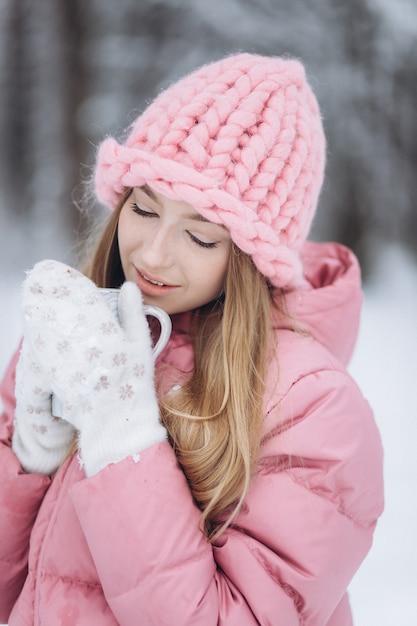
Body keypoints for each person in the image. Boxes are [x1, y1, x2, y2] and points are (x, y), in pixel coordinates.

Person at [0, 53, 383, 625]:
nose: (152, 255)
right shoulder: (84, 339)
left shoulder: (314, 410)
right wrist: (27, 459)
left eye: (200, 239)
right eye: (144, 209)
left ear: (254, 261)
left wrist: (122, 439)